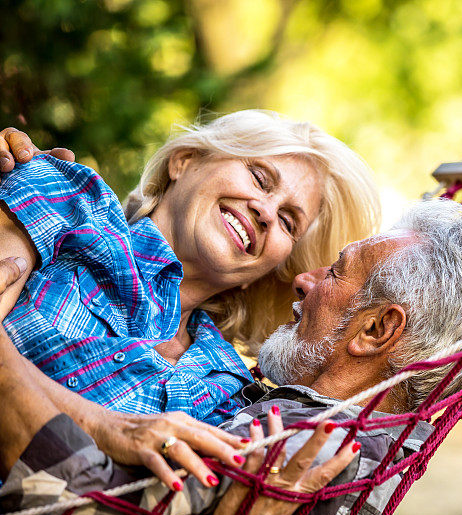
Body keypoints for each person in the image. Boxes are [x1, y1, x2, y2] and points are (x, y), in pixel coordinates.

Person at [0, 198, 462, 515]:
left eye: (335, 272)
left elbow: (73, 512)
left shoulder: (312, 442)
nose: (304, 280)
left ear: (375, 331)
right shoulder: (367, 432)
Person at [0, 111, 380, 489]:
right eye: (260, 178)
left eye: (288, 221)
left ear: (268, 270)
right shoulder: (68, 200)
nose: (266, 213)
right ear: (184, 162)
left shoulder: (234, 391)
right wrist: (108, 428)